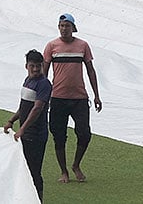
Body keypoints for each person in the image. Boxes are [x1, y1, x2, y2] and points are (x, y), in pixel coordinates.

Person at [43, 13, 102, 184]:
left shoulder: (82, 46)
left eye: (67, 26)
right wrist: (43, 96)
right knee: (58, 134)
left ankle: (76, 164)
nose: (64, 29)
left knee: (84, 133)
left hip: (79, 98)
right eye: (61, 26)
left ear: (73, 28)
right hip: (58, 97)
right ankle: (64, 171)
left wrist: (96, 95)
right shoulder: (51, 46)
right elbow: (44, 72)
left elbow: (90, 70)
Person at [3, 49, 52, 201]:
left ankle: (38, 199)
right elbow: (24, 106)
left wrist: (22, 129)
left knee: (34, 170)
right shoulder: (28, 81)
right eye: (32, 66)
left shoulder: (44, 84)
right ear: (26, 66)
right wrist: (11, 121)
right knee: (24, 168)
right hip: (26, 133)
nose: (36, 69)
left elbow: (37, 108)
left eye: (38, 66)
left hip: (36, 135)